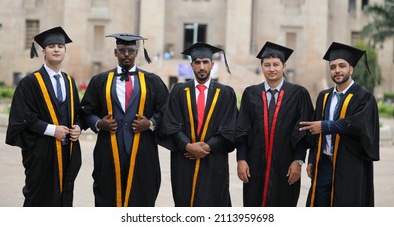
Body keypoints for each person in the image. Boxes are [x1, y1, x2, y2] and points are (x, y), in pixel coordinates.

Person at [79, 33, 169, 207]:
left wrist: (150, 123)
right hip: (108, 148)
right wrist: (99, 123)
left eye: (130, 51)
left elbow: (166, 110)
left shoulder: (152, 81)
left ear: (137, 53)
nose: (126, 54)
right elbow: (86, 111)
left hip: (142, 149)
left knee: (142, 193)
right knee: (107, 193)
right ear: (115, 52)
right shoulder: (100, 80)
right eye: (122, 50)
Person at [6, 26, 82, 206]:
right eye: (51, 46)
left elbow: (78, 113)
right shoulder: (30, 83)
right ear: (43, 51)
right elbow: (23, 115)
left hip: (67, 151)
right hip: (41, 151)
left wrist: (78, 127)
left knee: (64, 196)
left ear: (65, 51)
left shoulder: (70, 81)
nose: (56, 49)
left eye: (60, 46)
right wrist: (51, 130)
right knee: (39, 198)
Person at [299, 42, 380, 207]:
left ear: (351, 69)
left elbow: (358, 125)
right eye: (333, 66)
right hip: (324, 165)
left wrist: (326, 126)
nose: (337, 70)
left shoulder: (364, 97)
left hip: (350, 165)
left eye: (342, 66)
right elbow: (314, 131)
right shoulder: (324, 96)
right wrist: (312, 159)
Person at [236, 41, 314, 207]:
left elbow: (304, 131)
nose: (272, 69)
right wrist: (241, 159)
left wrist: (298, 161)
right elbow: (242, 129)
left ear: (284, 66)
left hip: (286, 166)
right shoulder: (251, 93)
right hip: (255, 165)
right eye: (267, 65)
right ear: (261, 66)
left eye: (276, 65)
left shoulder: (299, 94)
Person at [162, 42, 237, 207]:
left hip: (213, 159)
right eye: (197, 62)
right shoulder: (179, 91)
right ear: (191, 65)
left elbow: (229, 126)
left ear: (212, 64)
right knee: (184, 201)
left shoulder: (225, 93)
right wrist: (187, 146)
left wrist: (207, 147)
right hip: (184, 159)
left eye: (205, 62)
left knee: (213, 201)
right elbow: (171, 123)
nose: (201, 67)